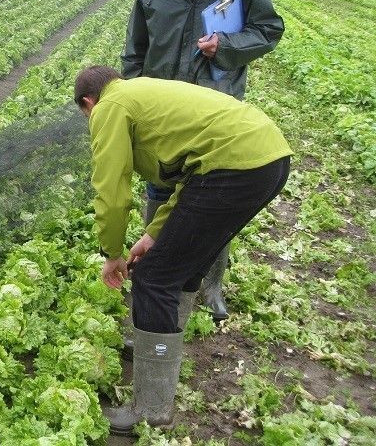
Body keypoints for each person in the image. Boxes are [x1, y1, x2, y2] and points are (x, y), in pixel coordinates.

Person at [74, 66, 291, 435]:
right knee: (184, 266)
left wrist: (111, 254)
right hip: (266, 157)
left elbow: (112, 189)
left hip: (234, 165)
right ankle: (161, 340)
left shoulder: (110, 106)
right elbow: (190, 175)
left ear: (88, 102)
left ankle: (151, 408)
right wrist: (154, 235)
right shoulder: (140, 92)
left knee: (153, 279)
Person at [122, 0, 285, 322]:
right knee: (159, 196)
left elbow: (268, 29)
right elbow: (135, 47)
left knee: (210, 209)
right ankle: (151, 283)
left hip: (214, 113)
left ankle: (210, 287)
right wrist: (131, 99)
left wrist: (226, 45)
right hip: (163, 118)